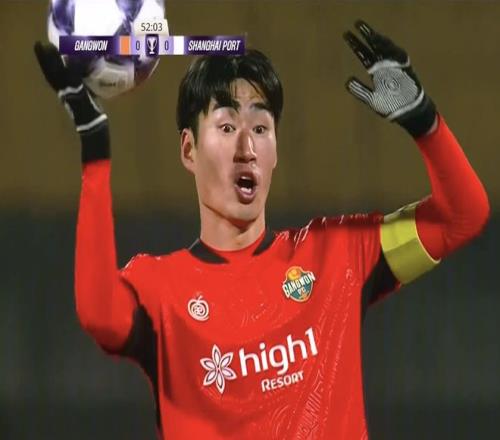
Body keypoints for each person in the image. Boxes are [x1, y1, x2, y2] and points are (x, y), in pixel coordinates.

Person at [34, 20, 489, 440]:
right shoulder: (160, 289)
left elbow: (463, 217)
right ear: (189, 150)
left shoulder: (338, 257)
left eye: (260, 127)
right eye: (226, 125)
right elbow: (99, 316)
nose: (246, 146)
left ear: (275, 151)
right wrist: (95, 152)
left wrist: (425, 121)